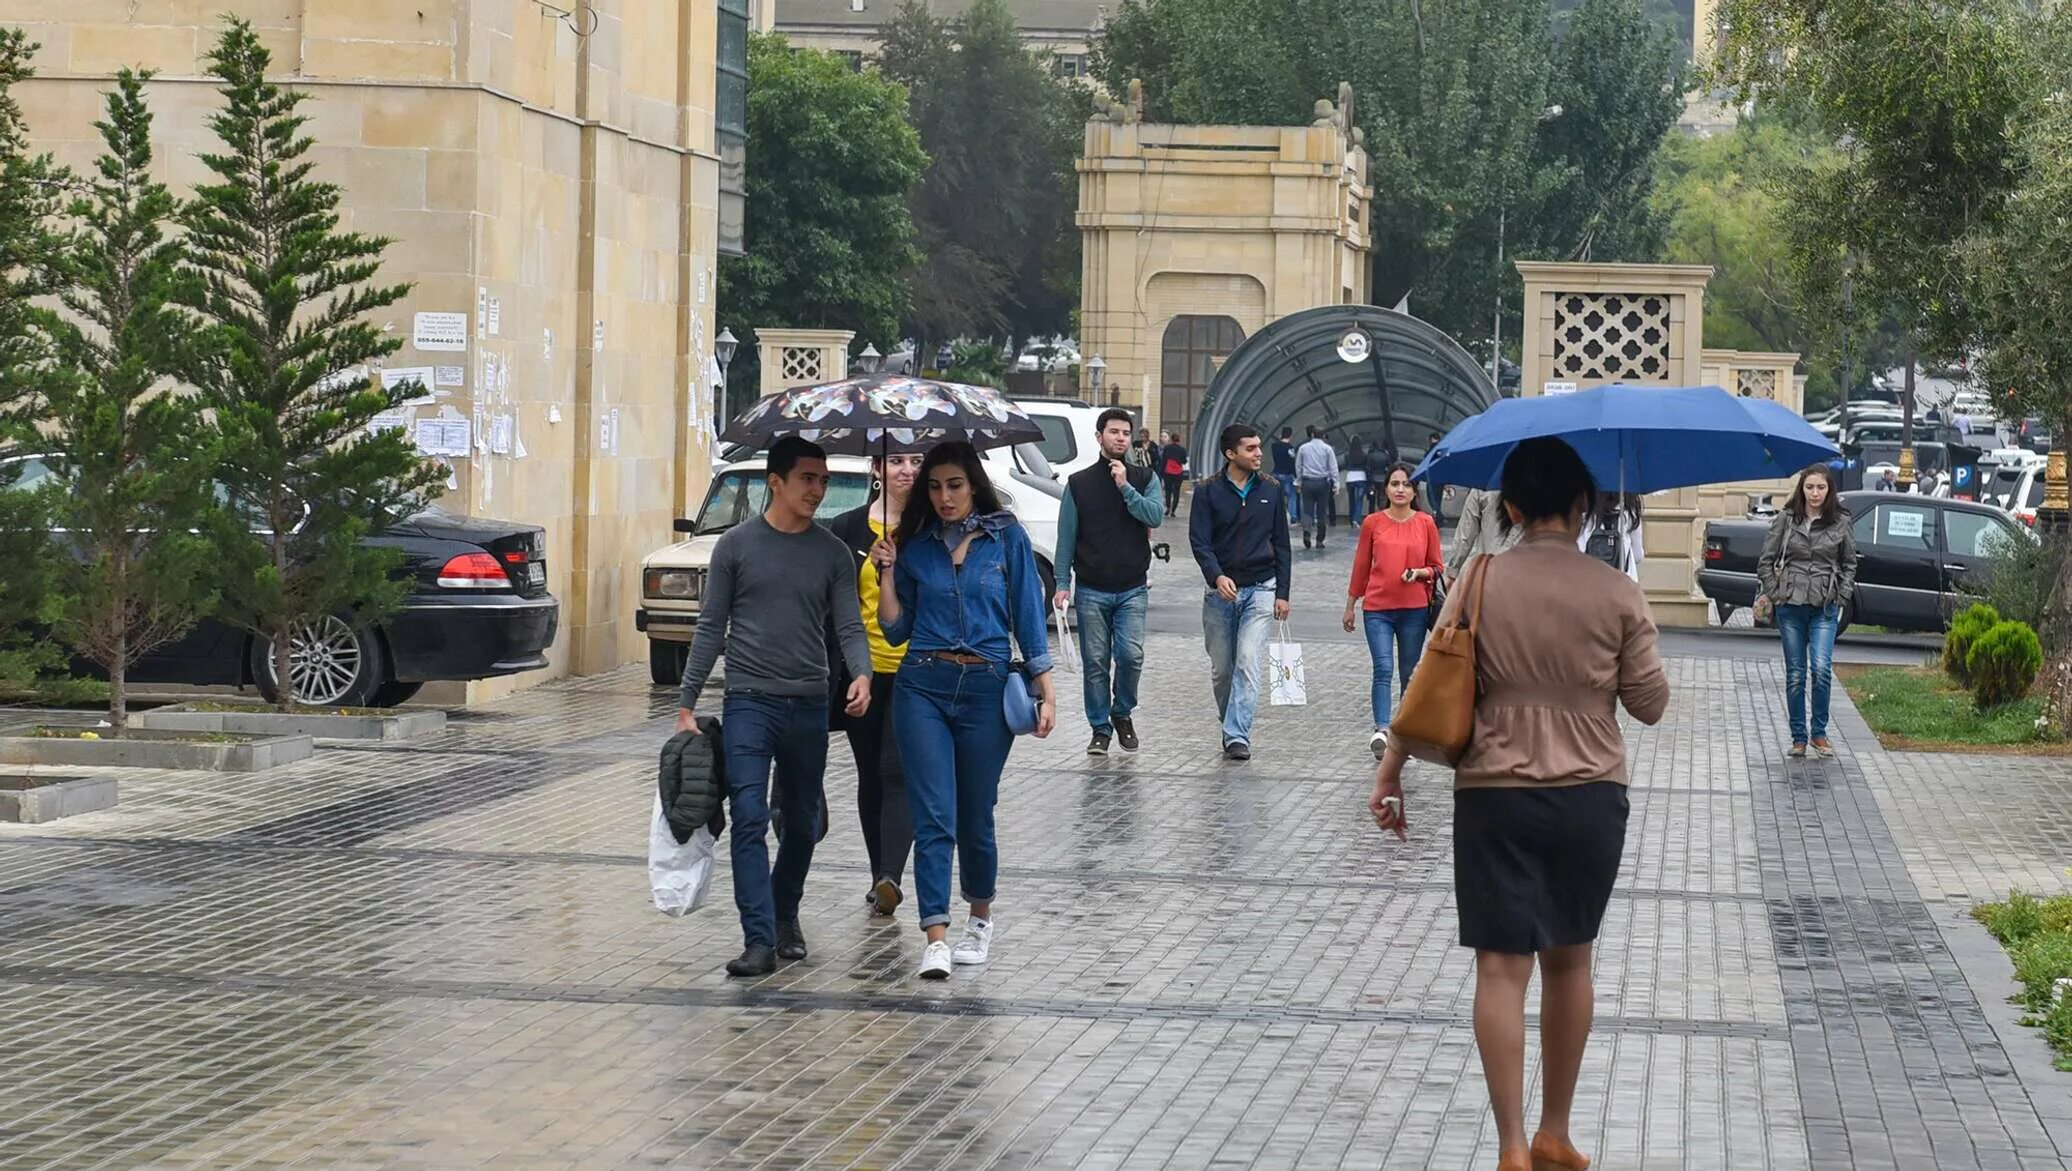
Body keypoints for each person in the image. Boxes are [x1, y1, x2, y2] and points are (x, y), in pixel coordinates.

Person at [1369, 436, 1670, 1171]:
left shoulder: (1478, 578)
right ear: (1583, 507)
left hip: (1492, 792)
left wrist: (1391, 770)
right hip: (1589, 794)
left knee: (1500, 969)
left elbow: (1428, 685)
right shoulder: (1617, 590)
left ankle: (1509, 1144)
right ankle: (1555, 1131)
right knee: (1571, 963)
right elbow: (1651, 704)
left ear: (1508, 507)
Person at [677, 436, 872, 978]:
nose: (818, 489)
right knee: (748, 817)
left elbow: (849, 624)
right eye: (808, 479)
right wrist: (687, 701)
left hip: (810, 702)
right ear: (777, 483)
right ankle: (758, 937)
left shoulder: (832, 553)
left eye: (824, 480)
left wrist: (862, 673)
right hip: (749, 703)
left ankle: (786, 914)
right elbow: (711, 627)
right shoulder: (735, 546)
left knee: (803, 822)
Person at [872, 441, 1057, 979]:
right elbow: (894, 628)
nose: (944, 496)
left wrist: (1047, 691)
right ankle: (935, 933)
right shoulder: (915, 543)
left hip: (986, 686)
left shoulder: (1007, 540)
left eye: (954, 485)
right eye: (934, 487)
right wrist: (886, 570)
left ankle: (980, 917)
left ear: (973, 484)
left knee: (975, 812)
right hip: (922, 685)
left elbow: (1027, 616)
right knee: (933, 814)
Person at [827, 450, 925, 917]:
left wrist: (900, 564)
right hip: (861, 671)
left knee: (897, 768)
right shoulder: (845, 530)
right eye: (897, 460)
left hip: (914, 669)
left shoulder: (931, 528)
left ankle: (891, 873)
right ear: (876, 470)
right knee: (870, 773)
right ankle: (877, 874)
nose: (908, 470)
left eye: (917, 461)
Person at [1054, 408, 1164, 756]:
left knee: (1131, 656)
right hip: (1091, 587)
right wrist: (1061, 582)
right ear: (1099, 436)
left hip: (1132, 585)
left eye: (1125, 433)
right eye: (1113, 432)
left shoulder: (1145, 478)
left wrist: (1125, 487)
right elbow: (1066, 536)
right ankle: (1099, 727)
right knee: (1096, 661)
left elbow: (1154, 516)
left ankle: (1123, 712)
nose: (1120, 438)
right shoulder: (1079, 483)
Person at [1188, 423, 1292, 761]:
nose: (1259, 453)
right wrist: (1217, 577)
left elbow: (1282, 544)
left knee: (1248, 660)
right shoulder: (1207, 491)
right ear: (1230, 454)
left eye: (1259, 447)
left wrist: (1283, 593)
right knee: (1223, 669)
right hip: (1219, 594)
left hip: (1262, 588)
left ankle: (1237, 735)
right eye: (1250, 448)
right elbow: (1199, 542)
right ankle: (1230, 722)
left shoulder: (1273, 490)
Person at [1757, 464, 1858, 759]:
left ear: (1829, 490)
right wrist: (1776, 593)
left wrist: (1842, 596)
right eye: (1810, 487)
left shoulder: (1841, 521)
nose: (1815, 493)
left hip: (1825, 604)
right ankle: (1799, 737)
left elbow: (1850, 562)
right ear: (1802, 489)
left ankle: (1820, 734)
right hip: (1791, 604)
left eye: (1821, 487)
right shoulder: (1787, 520)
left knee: (1822, 669)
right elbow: (1765, 561)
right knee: (1796, 674)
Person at [1344, 463, 1443, 759]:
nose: (1400, 489)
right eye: (1395, 483)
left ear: (1415, 491)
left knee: (1409, 673)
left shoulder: (1426, 522)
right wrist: (1351, 605)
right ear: (1385, 489)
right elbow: (1361, 565)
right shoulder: (1373, 523)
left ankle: (1403, 733)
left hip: (1413, 609)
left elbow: (1438, 566)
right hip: (1377, 608)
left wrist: (1420, 572)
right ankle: (1382, 729)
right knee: (1383, 668)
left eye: (1406, 484)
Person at [1446, 487, 1516, 584]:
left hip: (1488, 571)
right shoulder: (1538, 485)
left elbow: (1465, 534)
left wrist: (1452, 572)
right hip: (1524, 575)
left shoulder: (1482, 488)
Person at [1295, 425, 1340, 549]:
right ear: (1323, 436)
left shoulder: (1303, 448)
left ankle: (1307, 532)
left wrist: (1298, 482)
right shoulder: (1328, 449)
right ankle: (1320, 540)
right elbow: (1333, 468)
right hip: (1322, 483)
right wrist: (1336, 484)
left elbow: (1298, 466)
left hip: (1307, 482)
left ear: (1312, 434)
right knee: (1321, 511)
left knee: (1307, 510)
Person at [1272, 426, 1300, 522]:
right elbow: (1292, 464)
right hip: (1287, 474)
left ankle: (1276, 514)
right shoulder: (1290, 448)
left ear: (1281, 434)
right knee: (1292, 496)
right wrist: (1296, 476)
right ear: (1290, 435)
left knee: (1278, 496)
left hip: (1276, 473)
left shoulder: (1274, 446)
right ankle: (1293, 516)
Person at [1158, 431, 1189, 517]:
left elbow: (1163, 460)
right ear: (1178, 440)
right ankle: (1173, 510)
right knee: (1176, 492)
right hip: (1178, 474)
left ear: (1171, 439)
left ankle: (1168, 508)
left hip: (1168, 473)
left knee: (1168, 491)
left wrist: (1163, 472)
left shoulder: (1167, 448)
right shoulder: (1182, 449)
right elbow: (1184, 461)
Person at [1345, 437, 1371, 526]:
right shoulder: (1364, 455)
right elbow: (1366, 466)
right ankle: (1357, 519)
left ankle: (1351, 519)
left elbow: (1345, 466)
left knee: (1351, 500)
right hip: (1361, 478)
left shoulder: (1347, 455)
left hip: (1350, 478)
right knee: (1359, 500)